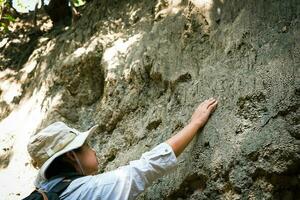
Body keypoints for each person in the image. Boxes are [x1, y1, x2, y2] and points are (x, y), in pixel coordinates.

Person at [27, 98, 218, 200]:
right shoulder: (92, 191)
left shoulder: (47, 190)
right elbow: (146, 167)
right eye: (86, 146)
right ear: (70, 155)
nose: (93, 151)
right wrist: (195, 124)